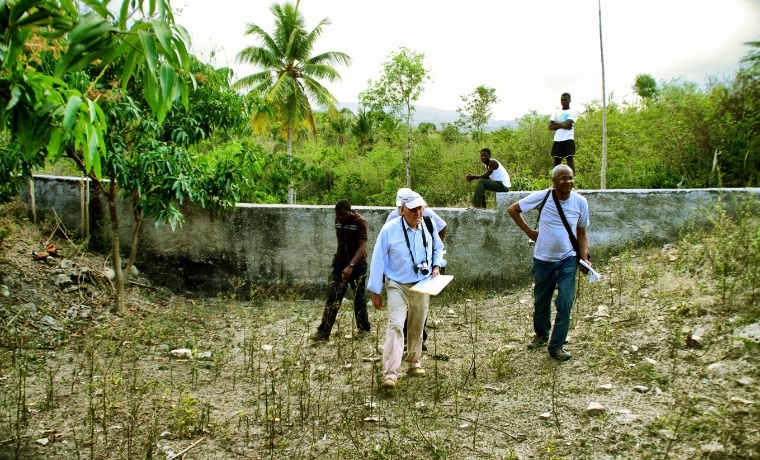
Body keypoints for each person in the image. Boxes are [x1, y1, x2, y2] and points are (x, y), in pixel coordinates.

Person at [507, 165, 590, 361]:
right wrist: (529, 232)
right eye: (562, 178)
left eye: (570, 178)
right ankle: (542, 334)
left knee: (566, 301)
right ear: (553, 181)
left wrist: (584, 259)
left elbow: (582, 233)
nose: (567, 182)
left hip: (568, 259)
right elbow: (513, 209)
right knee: (541, 301)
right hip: (543, 260)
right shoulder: (543, 197)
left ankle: (557, 346)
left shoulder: (580, 202)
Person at [368, 191, 445, 389]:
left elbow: (438, 247)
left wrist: (436, 266)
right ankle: (390, 373)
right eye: (413, 209)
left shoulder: (428, 225)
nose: (418, 212)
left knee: (417, 325)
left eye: (421, 208)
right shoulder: (389, 229)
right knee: (396, 324)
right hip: (397, 284)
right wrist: (376, 290)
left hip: (422, 283)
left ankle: (414, 362)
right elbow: (378, 259)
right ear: (402, 210)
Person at [386, 188, 448, 351]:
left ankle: (420, 340)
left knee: (421, 303)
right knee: (403, 305)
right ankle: (405, 339)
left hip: (424, 267)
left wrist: (430, 248)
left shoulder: (425, 213)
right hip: (403, 269)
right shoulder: (393, 217)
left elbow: (442, 227)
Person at [310, 199, 370, 342]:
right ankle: (324, 332)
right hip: (340, 263)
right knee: (334, 297)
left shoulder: (360, 222)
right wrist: (339, 264)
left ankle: (364, 329)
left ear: (350, 211)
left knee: (359, 298)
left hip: (357, 266)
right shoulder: (338, 221)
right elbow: (341, 243)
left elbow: (363, 247)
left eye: (342, 214)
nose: (339, 218)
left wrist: (351, 266)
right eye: (337, 215)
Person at [548, 92, 578, 172]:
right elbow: (550, 126)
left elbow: (567, 124)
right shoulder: (556, 112)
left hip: (568, 138)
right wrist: (564, 125)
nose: (563, 102)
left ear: (569, 100)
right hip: (557, 139)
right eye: (562, 100)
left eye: (565, 100)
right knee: (556, 162)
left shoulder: (573, 112)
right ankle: (556, 180)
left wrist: (557, 124)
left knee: (570, 160)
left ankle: (572, 179)